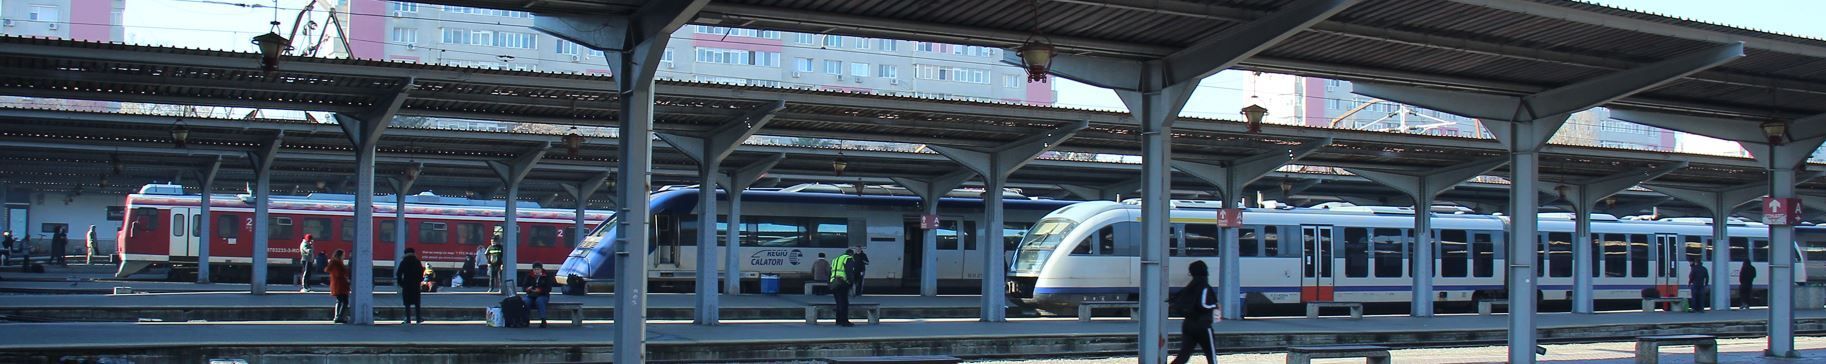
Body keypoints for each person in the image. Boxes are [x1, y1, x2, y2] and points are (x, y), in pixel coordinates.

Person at [1168, 260, 1220, 364]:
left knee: (1183, 356)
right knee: (1211, 356)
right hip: (1203, 325)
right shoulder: (1204, 286)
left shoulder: (1189, 287)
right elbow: (1203, 304)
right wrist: (1214, 305)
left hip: (1188, 325)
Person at [522, 262, 555, 328]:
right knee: (526, 301)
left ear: (541, 269)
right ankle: (526, 320)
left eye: (538, 269)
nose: (536, 271)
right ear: (533, 270)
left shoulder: (546, 276)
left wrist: (540, 290)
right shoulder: (529, 275)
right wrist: (528, 289)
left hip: (543, 295)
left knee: (539, 301)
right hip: (531, 295)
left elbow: (549, 288)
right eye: (535, 269)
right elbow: (524, 287)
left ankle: (543, 320)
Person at [396, 248, 425, 325]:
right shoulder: (417, 262)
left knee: (407, 303)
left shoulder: (403, 262)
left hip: (406, 284)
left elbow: (399, 273)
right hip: (415, 285)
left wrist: (401, 283)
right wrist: (419, 281)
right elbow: (421, 273)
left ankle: (408, 319)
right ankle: (418, 319)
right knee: (417, 303)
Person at [830, 249, 856, 327]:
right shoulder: (848, 258)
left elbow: (829, 272)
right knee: (844, 303)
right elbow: (849, 271)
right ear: (851, 254)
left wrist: (829, 283)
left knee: (838, 302)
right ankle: (844, 321)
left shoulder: (835, 259)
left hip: (834, 282)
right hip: (842, 283)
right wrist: (851, 283)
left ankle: (838, 320)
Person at [327, 249, 350, 324]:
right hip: (340, 284)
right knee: (344, 301)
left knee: (340, 300)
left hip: (339, 284)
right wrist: (345, 274)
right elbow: (339, 273)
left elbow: (328, 270)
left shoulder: (334, 262)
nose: (344, 256)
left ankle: (339, 316)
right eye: (343, 255)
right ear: (340, 255)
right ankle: (339, 317)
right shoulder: (337, 263)